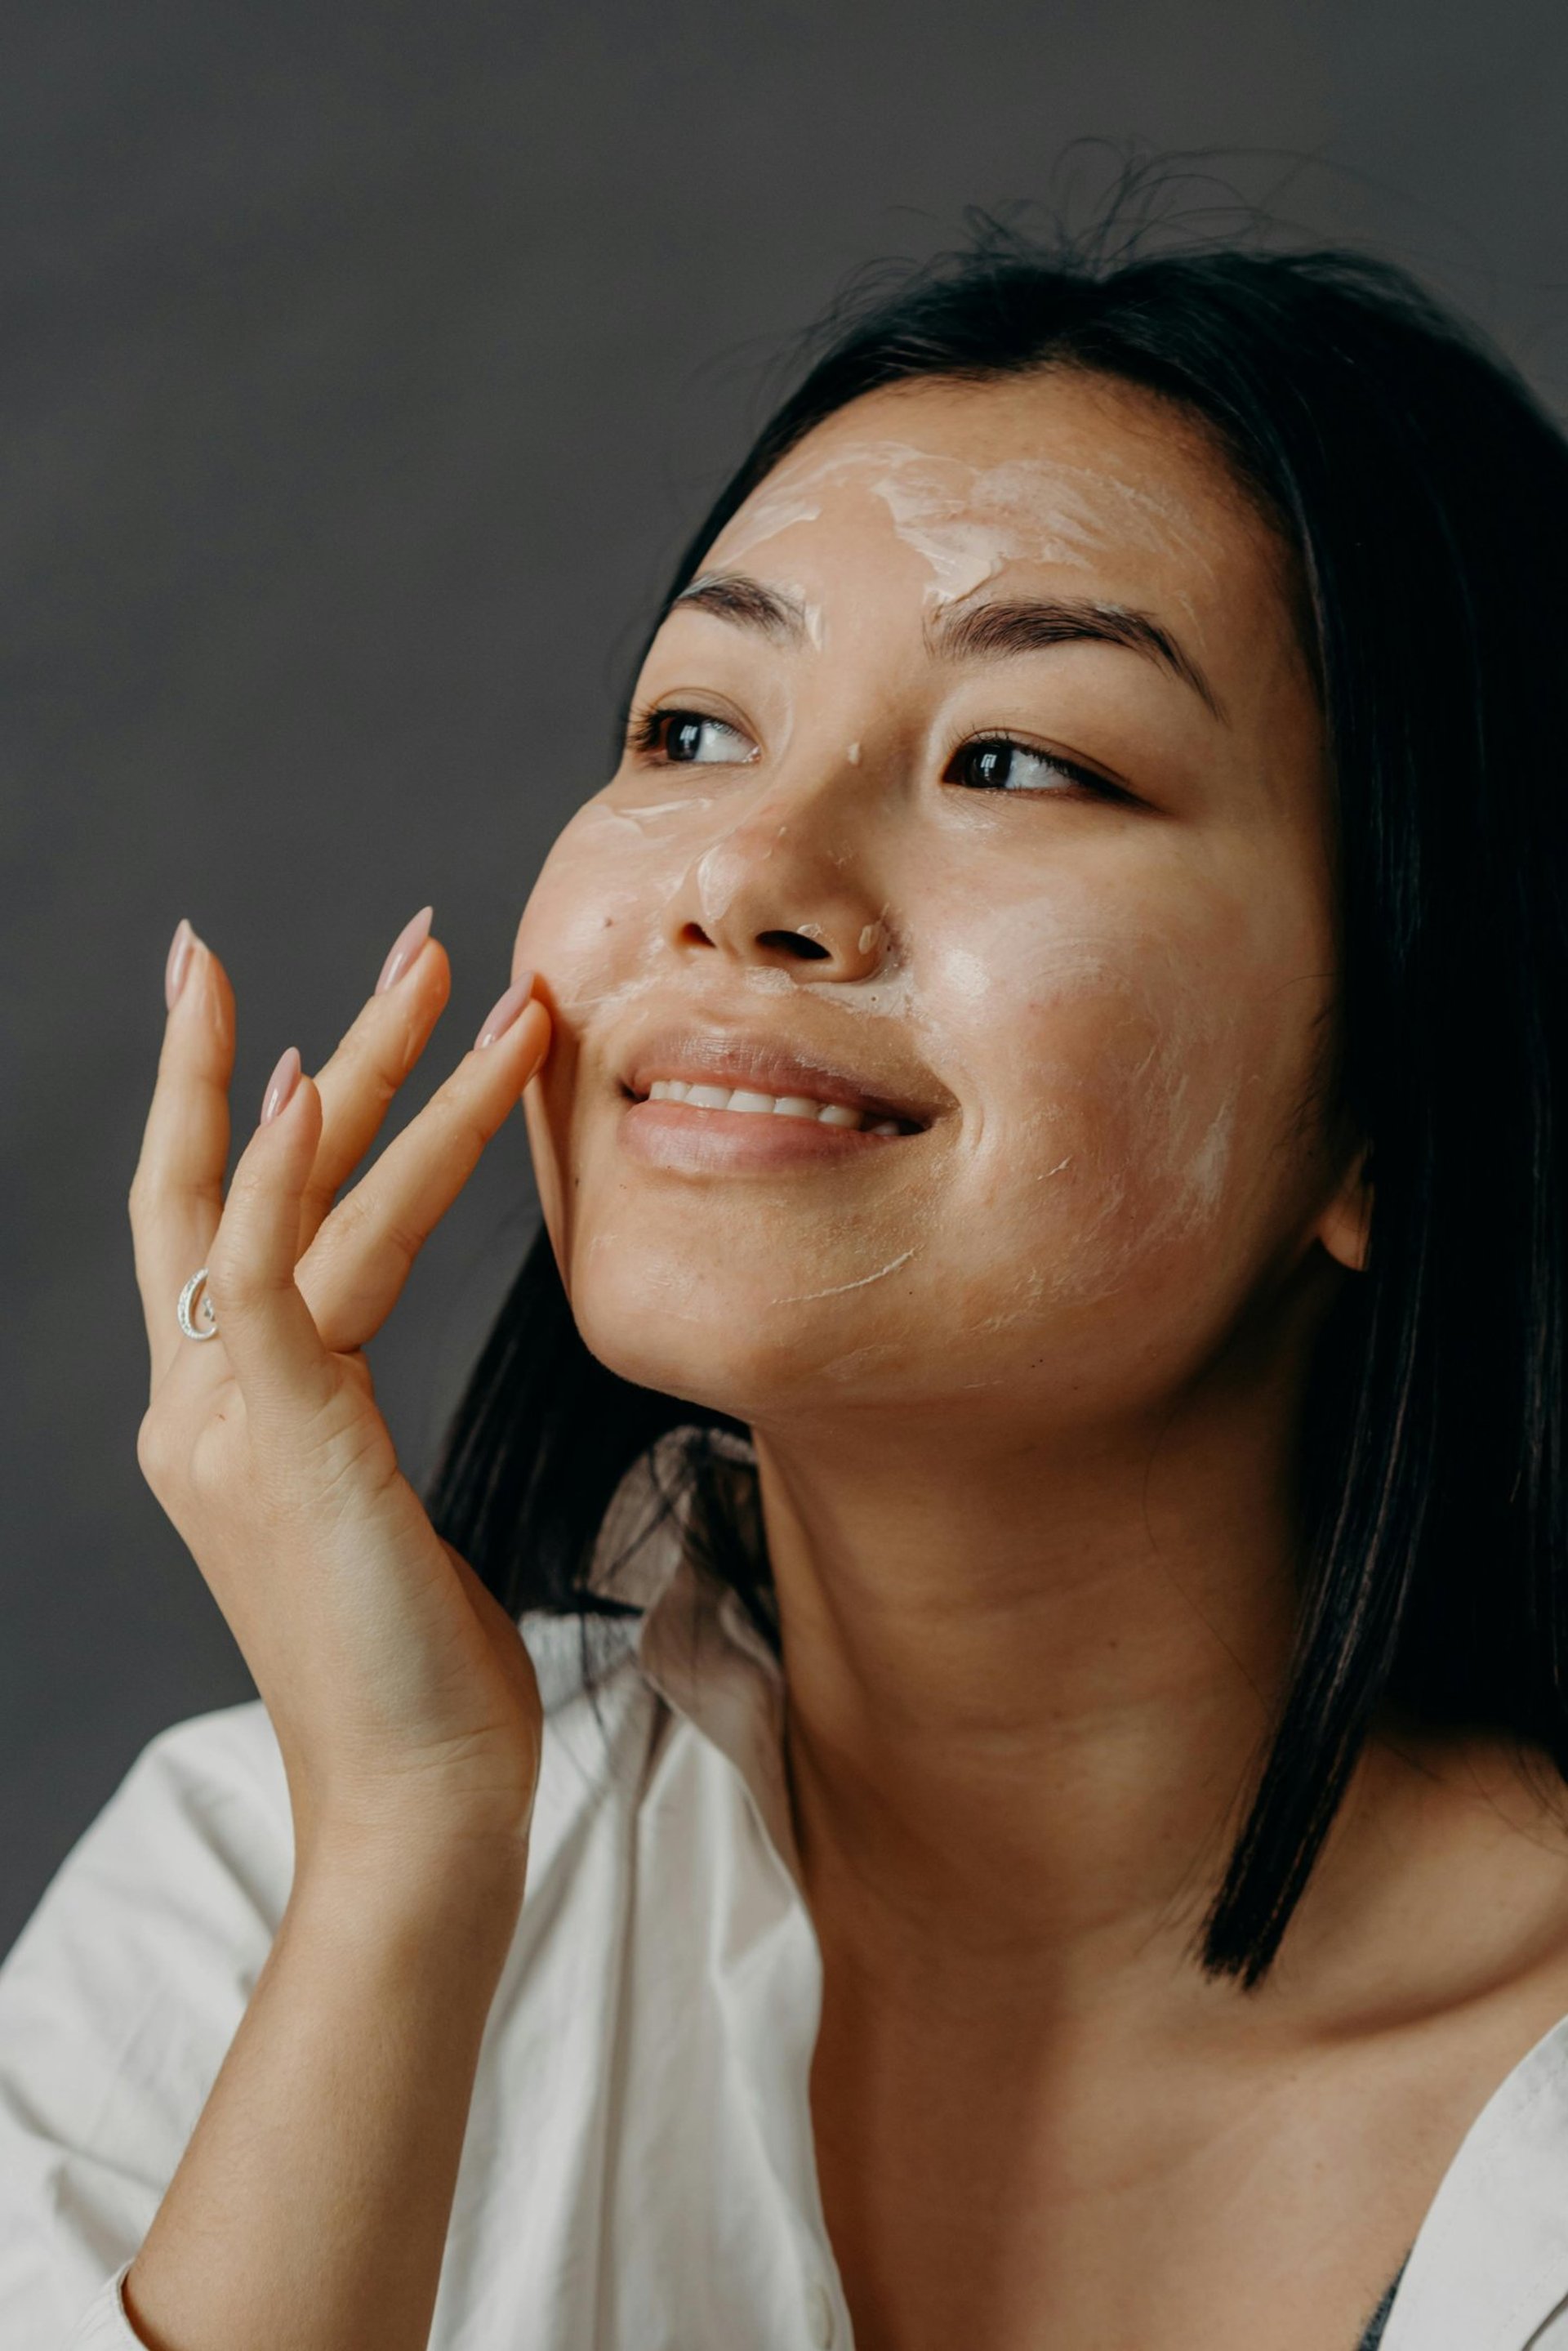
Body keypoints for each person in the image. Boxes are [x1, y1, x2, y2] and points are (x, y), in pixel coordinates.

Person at [5, 212, 1568, 2351]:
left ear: (1403, 1094)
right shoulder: (254, 1888)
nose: (744, 867)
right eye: (689, 731)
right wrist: (411, 1850)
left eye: (1020, 759)